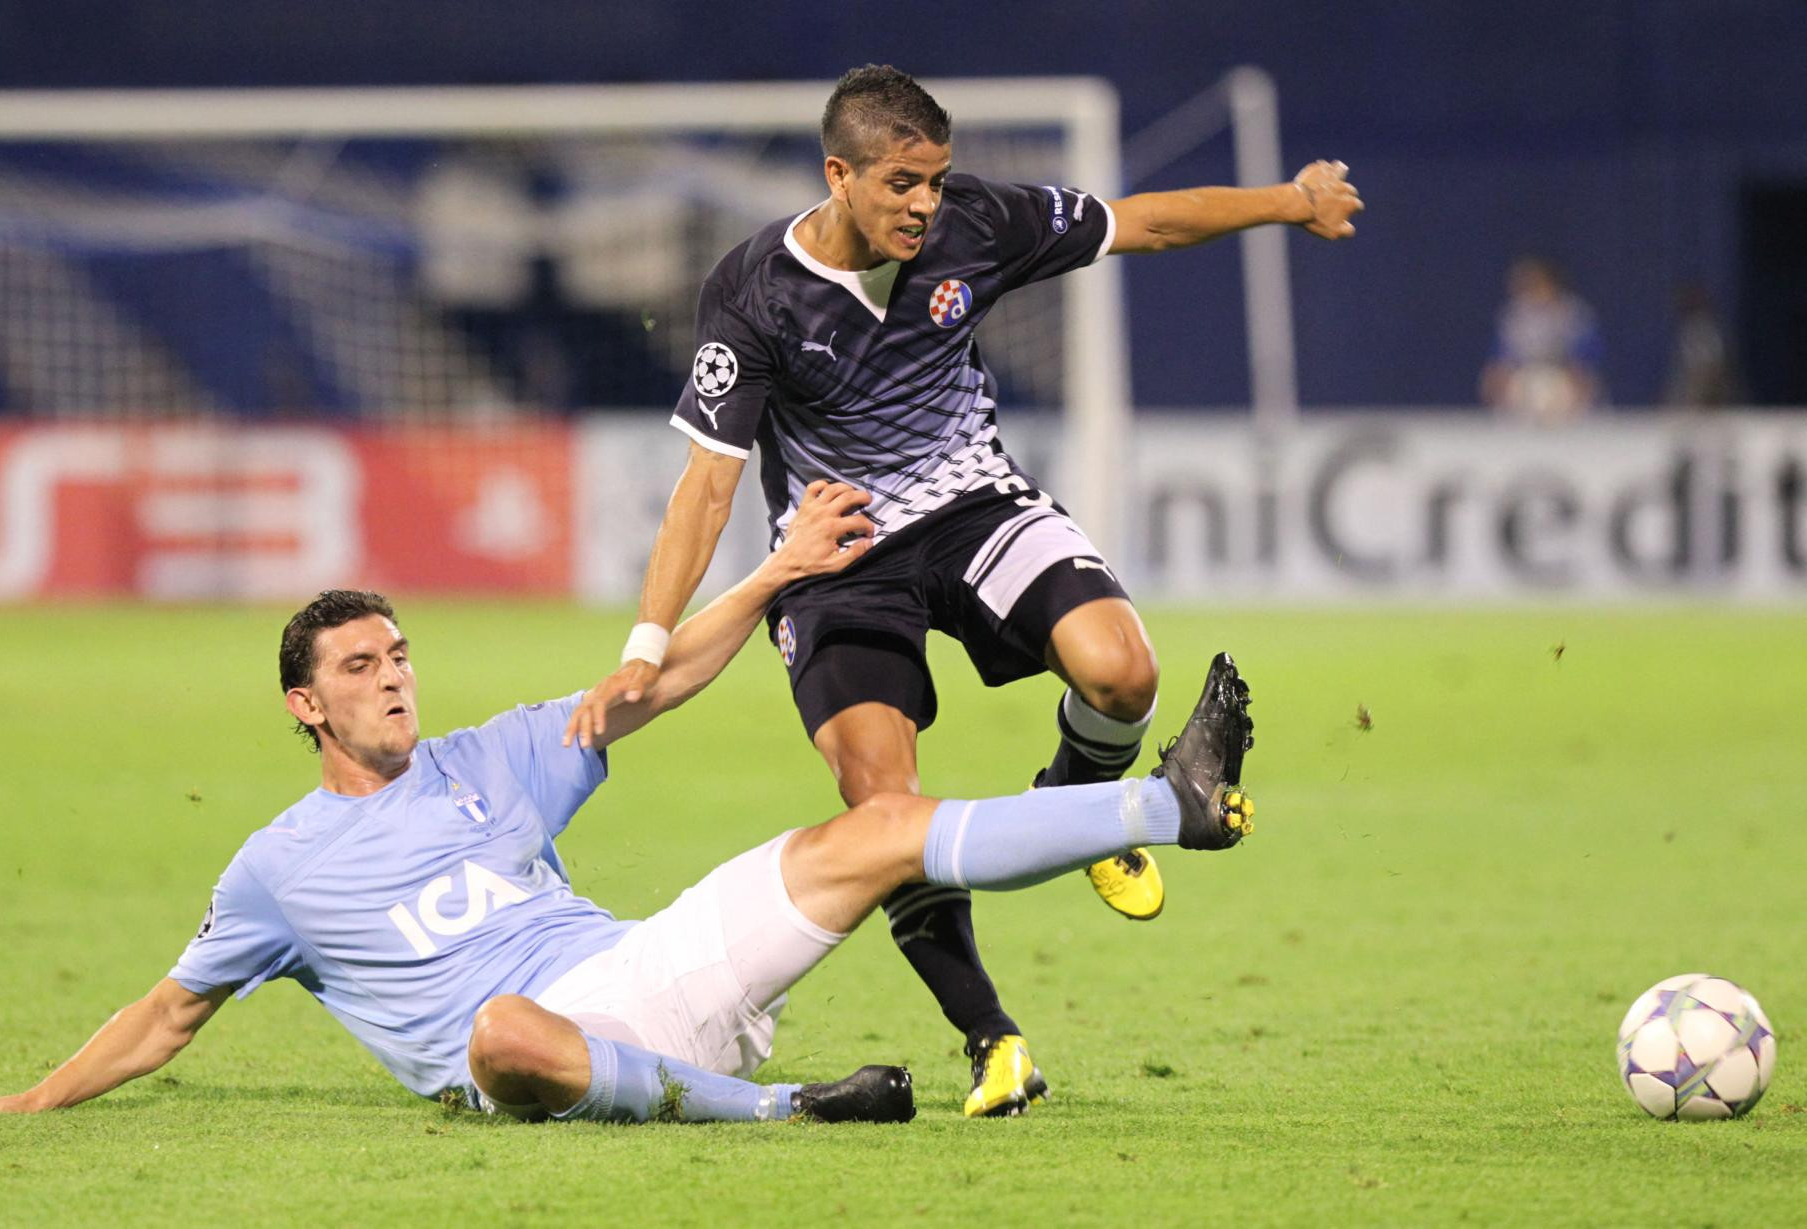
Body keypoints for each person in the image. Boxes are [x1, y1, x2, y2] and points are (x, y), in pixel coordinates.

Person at [0, 481, 1258, 1125]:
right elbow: (168, 1013)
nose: (392, 679)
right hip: (545, 1052)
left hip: (657, 969)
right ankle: (792, 1108)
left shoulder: (490, 755)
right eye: (360, 667)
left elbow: (649, 685)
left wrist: (773, 572)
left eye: (398, 656)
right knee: (498, 1032)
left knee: (878, 828)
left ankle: (1168, 805)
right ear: (306, 706)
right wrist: (29, 1103)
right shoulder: (277, 868)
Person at [567, 64, 1354, 1115]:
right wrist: (645, 643)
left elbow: (1144, 223)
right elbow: (706, 487)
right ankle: (993, 1037)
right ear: (839, 175)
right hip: (842, 555)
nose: (924, 205)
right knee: (883, 810)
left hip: (973, 504)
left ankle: (1078, 801)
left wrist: (1290, 201)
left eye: (934, 181)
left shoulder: (976, 223)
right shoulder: (753, 290)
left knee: (1123, 671)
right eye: (902, 183)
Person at [1480, 255, 1604, 422]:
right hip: (1525, 377)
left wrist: (1580, 380)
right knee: (1518, 387)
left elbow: (1586, 359)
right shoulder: (1515, 315)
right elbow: (1501, 358)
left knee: (1558, 390)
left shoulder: (1573, 313)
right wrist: (1496, 378)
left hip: (1563, 377)